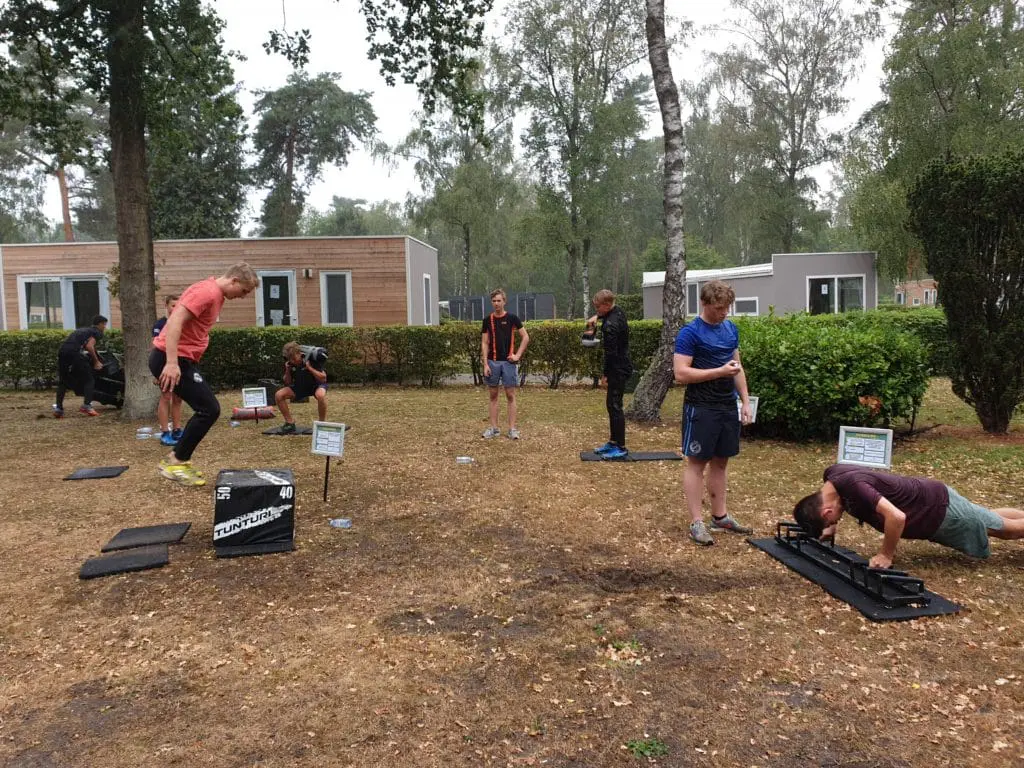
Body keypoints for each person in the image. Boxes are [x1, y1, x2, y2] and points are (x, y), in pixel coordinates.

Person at [151, 263, 260, 486]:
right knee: (209, 409)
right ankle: (176, 461)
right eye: (244, 291)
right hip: (173, 358)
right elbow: (174, 321)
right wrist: (170, 363)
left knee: (207, 408)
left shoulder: (214, 293)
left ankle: (178, 459)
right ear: (234, 281)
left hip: (182, 360)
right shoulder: (207, 292)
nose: (242, 297)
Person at [793, 464, 1024, 567]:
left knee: (1007, 531)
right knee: (986, 516)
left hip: (938, 512)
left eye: (833, 520)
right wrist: (829, 525)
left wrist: (885, 555)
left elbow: (897, 517)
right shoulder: (832, 477)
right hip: (935, 496)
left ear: (827, 511)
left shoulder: (854, 486)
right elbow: (835, 501)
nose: (838, 521)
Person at [673, 280, 753, 546]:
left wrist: (745, 401)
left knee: (721, 461)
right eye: (719, 308)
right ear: (704, 303)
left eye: (727, 307)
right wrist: (719, 372)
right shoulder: (690, 333)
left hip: (727, 405)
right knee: (697, 463)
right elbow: (680, 374)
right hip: (701, 407)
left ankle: (720, 517)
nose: (724, 313)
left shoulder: (730, 329)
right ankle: (697, 522)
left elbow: (737, 367)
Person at [587, 289, 633, 460]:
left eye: (598, 307)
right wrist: (596, 317)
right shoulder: (618, 311)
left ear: (607, 305)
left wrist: (605, 374)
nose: (597, 310)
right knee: (611, 405)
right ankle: (613, 442)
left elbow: (610, 354)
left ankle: (620, 447)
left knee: (615, 406)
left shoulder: (610, 326)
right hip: (622, 364)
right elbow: (607, 315)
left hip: (617, 368)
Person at [481, 288, 530, 439]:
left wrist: (517, 355)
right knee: (493, 395)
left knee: (510, 395)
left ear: (504, 301)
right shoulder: (487, 320)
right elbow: (484, 343)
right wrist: (485, 364)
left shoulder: (512, 318)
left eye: (499, 300)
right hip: (492, 362)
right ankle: (494, 429)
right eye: (494, 301)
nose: (496, 303)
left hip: (508, 363)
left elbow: (525, 337)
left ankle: (512, 429)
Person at [54, 315, 108, 418]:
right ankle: (87, 406)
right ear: (100, 324)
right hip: (74, 353)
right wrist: (96, 362)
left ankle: (58, 409)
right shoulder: (96, 332)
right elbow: (89, 346)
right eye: (104, 324)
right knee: (89, 380)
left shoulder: (82, 330)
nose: (105, 327)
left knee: (63, 381)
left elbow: (85, 346)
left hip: (62, 352)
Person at [275, 341, 328, 433]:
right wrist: (287, 370)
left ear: (299, 353)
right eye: (290, 359)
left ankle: (321, 424)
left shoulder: (311, 360)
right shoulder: (290, 364)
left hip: (316, 385)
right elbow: (287, 382)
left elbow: (323, 378)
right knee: (279, 395)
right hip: (300, 386)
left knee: (321, 395)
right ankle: (290, 423)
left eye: (294, 358)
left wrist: (310, 368)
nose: (292, 361)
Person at [152, 294, 184, 446]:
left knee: (178, 398)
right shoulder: (160, 324)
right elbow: (155, 347)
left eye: (178, 306)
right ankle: (165, 432)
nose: (175, 309)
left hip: (179, 365)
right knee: (166, 397)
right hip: (164, 366)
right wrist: (156, 372)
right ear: (166, 306)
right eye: (173, 305)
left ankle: (177, 430)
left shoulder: (182, 322)